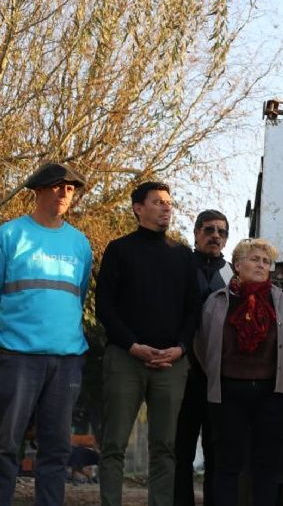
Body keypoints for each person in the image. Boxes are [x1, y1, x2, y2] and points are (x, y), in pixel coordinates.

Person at [96, 181, 201, 506]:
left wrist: (181, 348)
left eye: (169, 202)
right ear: (138, 208)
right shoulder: (119, 249)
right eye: (157, 201)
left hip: (172, 363)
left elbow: (193, 309)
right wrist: (132, 346)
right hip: (126, 359)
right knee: (114, 444)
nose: (166, 207)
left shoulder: (183, 255)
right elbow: (104, 307)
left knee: (165, 447)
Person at [0, 163, 92, 506]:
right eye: (57, 186)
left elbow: (77, 296)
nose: (64, 193)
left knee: (56, 450)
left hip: (66, 359)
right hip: (17, 356)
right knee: (6, 445)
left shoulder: (79, 243)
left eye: (70, 189)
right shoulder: (10, 235)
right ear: (38, 190)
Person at [194, 238, 283, 506]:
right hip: (228, 392)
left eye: (266, 261)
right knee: (227, 463)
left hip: (272, 393)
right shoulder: (216, 301)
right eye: (255, 259)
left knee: (266, 465)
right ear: (237, 265)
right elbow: (202, 343)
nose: (261, 265)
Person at [174, 210, 234, 506]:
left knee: (216, 450)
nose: (215, 236)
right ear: (196, 233)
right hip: (182, 371)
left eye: (221, 232)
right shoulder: (180, 266)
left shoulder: (234, 274)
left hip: (218, 377)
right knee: (180, 449)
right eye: (209, 229)